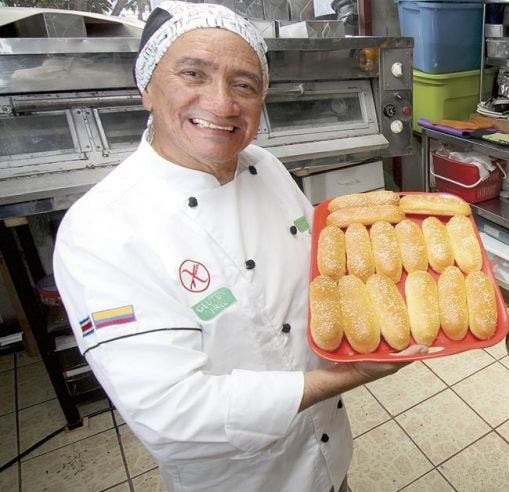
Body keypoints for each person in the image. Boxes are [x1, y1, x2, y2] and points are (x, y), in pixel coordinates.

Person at [52, 2, 424, 490]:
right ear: (147, 88)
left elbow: (317, 286)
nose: (223, 104)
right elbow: (173, 419)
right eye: (194, 74)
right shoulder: (101, 232)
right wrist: (354, 373)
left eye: (244, 84)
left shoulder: (266, 166)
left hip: (329, 455)